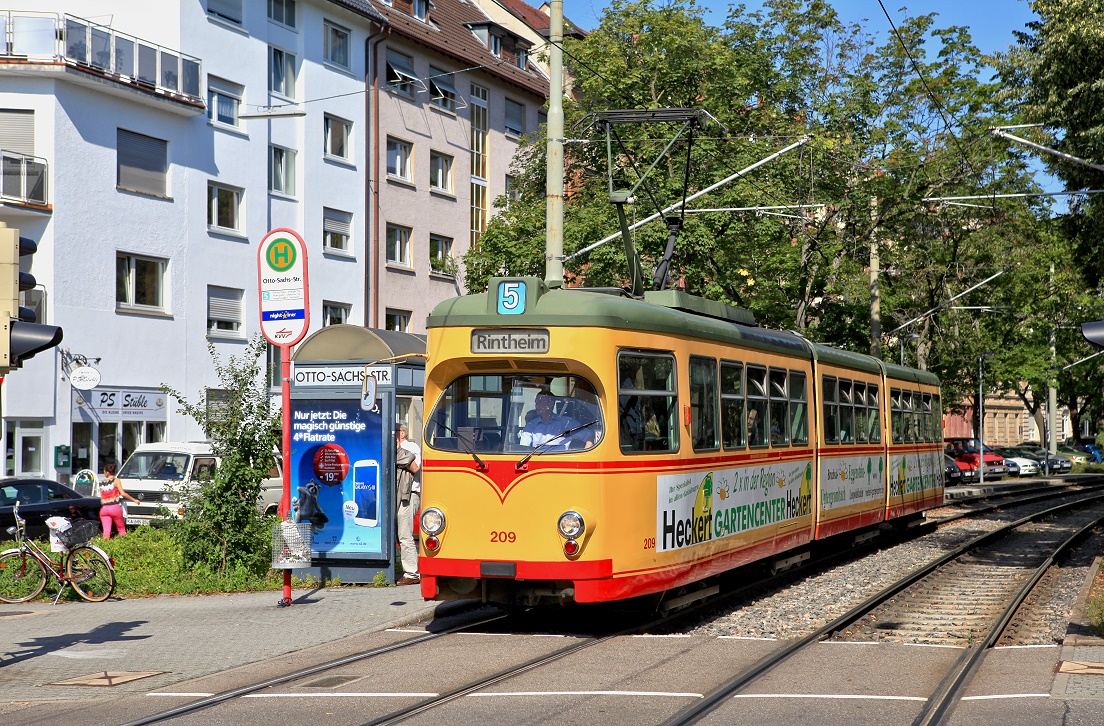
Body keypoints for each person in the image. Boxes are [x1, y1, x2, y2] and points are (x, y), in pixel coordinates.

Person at [395, 424, 421, 587]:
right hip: (396, 495)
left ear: (402, 433)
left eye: (395, 432)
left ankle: (412, 573)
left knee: (405, 534)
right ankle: (404, 568)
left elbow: (415, 467)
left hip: (408, 495)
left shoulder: (411, 447)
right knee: (399, 534)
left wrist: (398, 449)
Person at [520, 392, 592, 449]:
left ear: (550, 404)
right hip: (538, 462)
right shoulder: (531, 426)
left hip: (562, 463)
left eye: (540, 402)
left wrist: (586, 453)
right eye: (536, 402)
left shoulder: (566, 423)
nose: (536, 405)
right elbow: (523, 448)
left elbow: (590, 435)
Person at [99, 462, 139, 539]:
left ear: (107, 472)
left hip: (104, 509)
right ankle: (124, 545)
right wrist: (134, 500)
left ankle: (105, 547)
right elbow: (123, 493)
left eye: (104, 471)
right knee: (121, 529)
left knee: (106, 532)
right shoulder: (116, 480)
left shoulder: (102, 483)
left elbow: (102, 496)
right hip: (114, 507)